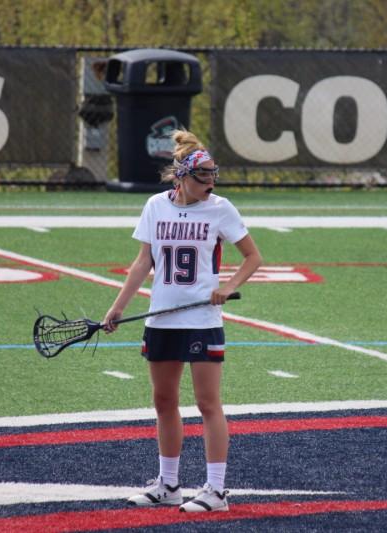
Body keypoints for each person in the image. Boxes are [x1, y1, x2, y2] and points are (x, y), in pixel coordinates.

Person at [103, 130, 262, 513]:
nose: (209, 184)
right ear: (181, 176)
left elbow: (252, 257)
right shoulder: (156, 206)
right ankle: (169, 484)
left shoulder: (221, 208)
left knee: (208, 403)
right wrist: (118, 307)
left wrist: (228, 286)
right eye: (201, 177)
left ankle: (217, 491)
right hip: (161, 319)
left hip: (202, 319)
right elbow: (144, 262)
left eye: (212, 177)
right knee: (164, 401)